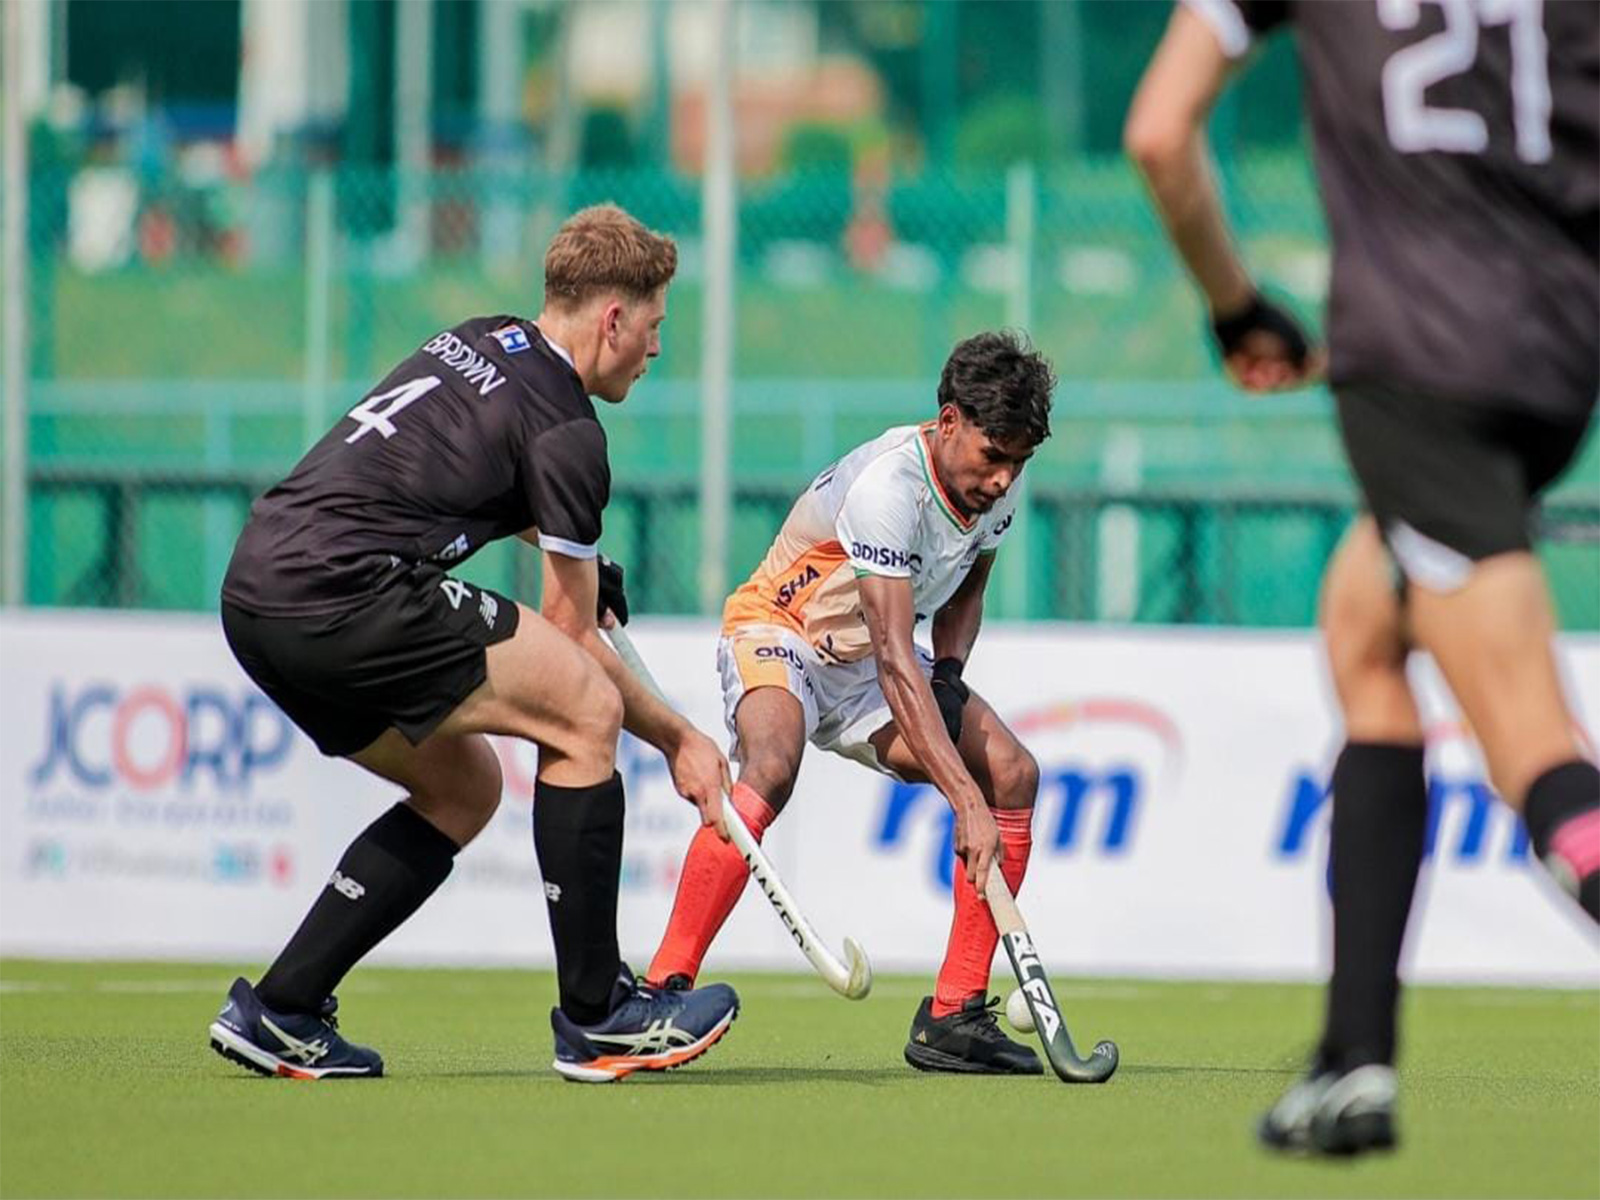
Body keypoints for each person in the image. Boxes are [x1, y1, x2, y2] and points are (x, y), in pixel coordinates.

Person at [1125, 0, 1598, 1156]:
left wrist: (1235, 308)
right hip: (1555, 364)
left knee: (1535, 749)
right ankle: (1352, 1059)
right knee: (1363, 624)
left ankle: (1356, 1058)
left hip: (1414, 369)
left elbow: (1159, 132)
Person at [209, 203, 741, 1083]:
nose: (655, 351)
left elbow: (471, 470)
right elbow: (572, 650)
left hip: (258, 591)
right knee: (585, 710)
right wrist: (681, 739)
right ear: (612, 318)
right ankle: (599, 1016)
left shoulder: (484, 339)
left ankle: (283, 1008)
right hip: (348, 593)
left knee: (464, 786)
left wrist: (575, 551)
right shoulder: (572, 431)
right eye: (652, 328)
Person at [643, 331, 1056, 1075]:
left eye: (1018, 462)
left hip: (871, 662)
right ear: (949, 420)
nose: (1003, 479)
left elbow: (969, 586)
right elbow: (901, 657)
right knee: (772, 761)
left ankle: (953, 1015)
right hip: (784, 633)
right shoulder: (888, 488)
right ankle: (658, 989)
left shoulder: (999, 485)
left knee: (1013, 776)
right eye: (994, 456)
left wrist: (953, 678)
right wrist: (961, 797)